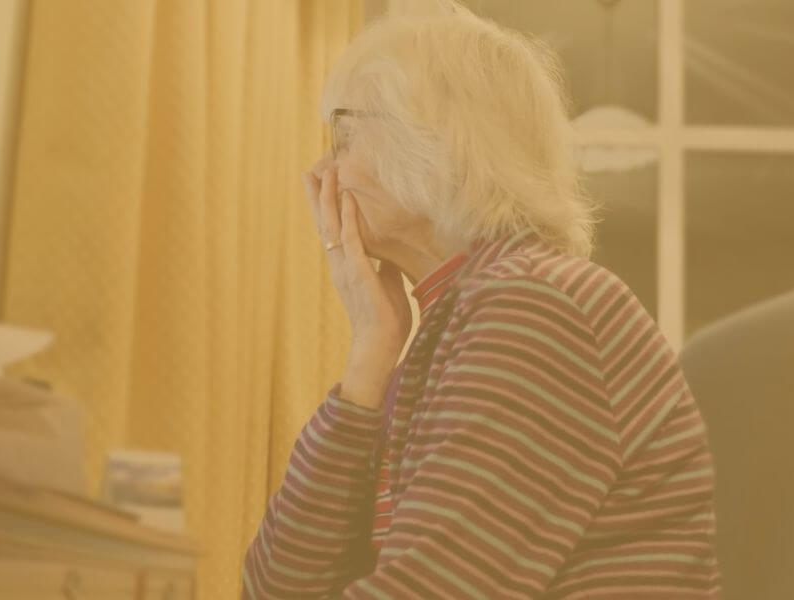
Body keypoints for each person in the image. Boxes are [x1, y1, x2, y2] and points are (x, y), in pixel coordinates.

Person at [242, 3, 720, 598]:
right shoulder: (465, 315)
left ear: (429, 141)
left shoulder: (538, 308)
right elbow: (277, 586)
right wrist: (371, 347)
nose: (322, 173)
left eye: (342, 137)